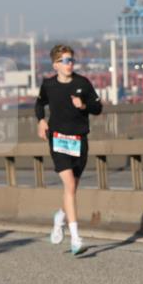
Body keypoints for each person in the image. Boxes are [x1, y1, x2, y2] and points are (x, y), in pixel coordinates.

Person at [36, 45, 102, 255]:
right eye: (65, 61)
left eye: (71, 60)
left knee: (71, 190)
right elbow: (39, 104)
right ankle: (75, 238)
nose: (69, 64)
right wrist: (40, 121)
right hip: (58, 140)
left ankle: (60, 218)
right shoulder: (49, 85)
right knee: (70, 184)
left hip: (79, 140)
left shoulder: (83, 83)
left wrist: (83, 106)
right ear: (56, 65)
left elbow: (98, 108)